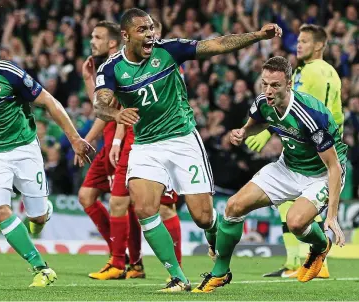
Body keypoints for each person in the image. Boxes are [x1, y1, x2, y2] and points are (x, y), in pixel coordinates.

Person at [93, 8, 282, 292]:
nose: (150, 34)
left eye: (150, 29)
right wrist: (115, 115)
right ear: (125, 35)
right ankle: (177, 277)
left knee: (203, 216)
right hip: (146, 145)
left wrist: (257, 35)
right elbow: (100, 104)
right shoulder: (110, 69)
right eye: (142, 30)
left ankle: (212, 233)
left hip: (182, 140)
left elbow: (216, 44)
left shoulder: (168, 51)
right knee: (144, 208)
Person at [0, 31, 93, 287]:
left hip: (24, 149)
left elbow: (49, 101)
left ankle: (41, 215)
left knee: (37, 217)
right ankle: (41, 268)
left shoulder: (8, 73)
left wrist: (75, 139)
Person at [193, 56, 347, 293]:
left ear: (289, 84)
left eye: (275, 85)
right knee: (233, 206)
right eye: (264, 84)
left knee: (296, 222)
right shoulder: (263, 101)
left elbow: (334, 167)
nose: (268, 90)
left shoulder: (310, 115)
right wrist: (244, 132)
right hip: (287, 166)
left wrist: (332, 216)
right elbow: (260, 122)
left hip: (321, 173)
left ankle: (320, 245)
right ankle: (220, 273)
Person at [80, 20, 181, 281]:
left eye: (97, 36)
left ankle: (132, 262)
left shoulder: (142, 67)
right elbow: (102, 106)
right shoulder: (107, 68)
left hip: (145, 140)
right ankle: (125, 258)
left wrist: (102, 140)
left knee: (143, 205)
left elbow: (123, 109)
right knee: (92, 197)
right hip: (113, 142)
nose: (92, 41)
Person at [246, 24, 342, 279]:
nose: (298, 45)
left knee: (296, 202)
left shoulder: (313, 71)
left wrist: (269, 130)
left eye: (305, 42)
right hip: (319, 142)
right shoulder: (330, 71)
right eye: (298, 41)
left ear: (319, 45)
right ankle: (296, 260)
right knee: (291, 204)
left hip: (313, 144)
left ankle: (307, 260)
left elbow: (305, 109)